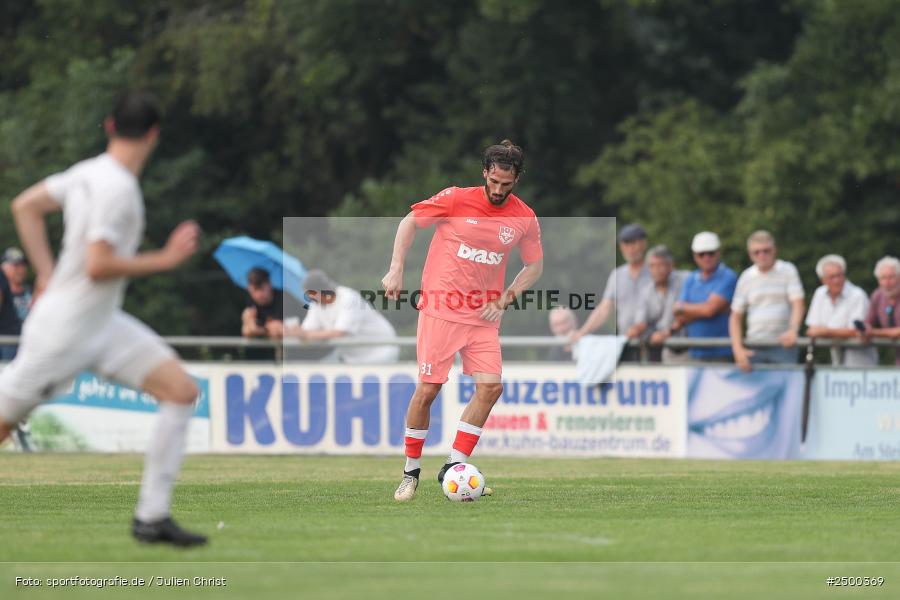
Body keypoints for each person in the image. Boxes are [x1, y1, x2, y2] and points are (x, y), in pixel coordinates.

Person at [0, 91, 206, 546]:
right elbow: (98, 264)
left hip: (102, 323)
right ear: (153, 135)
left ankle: (151, 518)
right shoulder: (117, 188)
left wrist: (46, 271)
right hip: (65, 330)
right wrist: (166, 259)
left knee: (180, 391)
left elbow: (25, 206)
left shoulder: (86, 173)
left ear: (111, 126)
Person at [382, 140, 543, 502]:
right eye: (494, 182)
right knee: (428, 390)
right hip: (440, 310)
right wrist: (396, 268)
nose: (499, 190)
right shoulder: (455, 198)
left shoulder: (524, 217)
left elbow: (534, 265)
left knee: (491, 387)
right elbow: (410, 222)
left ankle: (453, 467)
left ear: (517, 179)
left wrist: (506, 298)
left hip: (483, 317)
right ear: (485, 172)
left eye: (507, 184)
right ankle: (410, 472)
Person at [571, 223, 649, 360]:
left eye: (633, 243)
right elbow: (604, 309)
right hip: (627, 343)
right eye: (625, 244)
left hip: (654, 342)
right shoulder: (617, 275)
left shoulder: (657, 271)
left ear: (643, 244)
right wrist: (582, 332)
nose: (629, 248)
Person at [729, 231, 805, 371]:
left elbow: (798, 303)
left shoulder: (787, 270)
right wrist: (738, 349)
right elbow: (735, 316)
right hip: (755, 346)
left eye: (766, 251)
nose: (762, 255)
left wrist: (793, 330)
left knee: (787, 390)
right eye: (756, 252)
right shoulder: (746, 277)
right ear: (750, 254)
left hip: (783, 345)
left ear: (774, 250)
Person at [287, 269, 399, 363]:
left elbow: (339, 333)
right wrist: (290, 332)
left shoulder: (348, 298)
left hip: (381, 352)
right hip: (353, 358)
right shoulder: (317, 305)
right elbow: (307, 330)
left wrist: (305, 334)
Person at [673, 231, 737, 362]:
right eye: (701, 254)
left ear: (718, 252)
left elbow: (708, 310)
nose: (706, 257)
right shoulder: (691, 278)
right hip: (695, 353)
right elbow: (679, 316)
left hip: (722, 353)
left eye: (710, 253)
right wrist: (706, 308)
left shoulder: (728, 276)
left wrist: (683, 307)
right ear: (695, 256)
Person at [805, 254, 877, 366]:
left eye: (840, 275)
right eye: (832, 277)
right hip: (836, 360)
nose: (837, 280)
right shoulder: (819, 294)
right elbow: (812, 330)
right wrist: (836, 332)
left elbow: (858, 331)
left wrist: (826, 332)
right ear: (823, 280)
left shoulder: (857, 295)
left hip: (861, 362)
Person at [626, 245, 687, 362]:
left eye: (660, 265)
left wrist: (667, 332)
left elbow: (686, 314)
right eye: (652, 266)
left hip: (685, 347)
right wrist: (634, 329)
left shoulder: (685, 280)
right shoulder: (646, 291)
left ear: (670, 266)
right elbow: (641, 321)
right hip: (659, 349)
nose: (656, 270)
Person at [864, 256, 900, 365]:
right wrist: (864, 330)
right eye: (883, 278)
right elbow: (868, 323)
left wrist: (874, 333)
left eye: (891, 277)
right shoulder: (877, 295)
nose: (887, 282)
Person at [241, 267, 284, 339]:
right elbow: (247, 331)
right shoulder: (251, 301)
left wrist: (258, 330)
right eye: (255, 289)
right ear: (249, 288)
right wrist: (249, 322)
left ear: (270, 284)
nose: (259, 294)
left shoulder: (282, 298)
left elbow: (278, 330)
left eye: (262, 288)